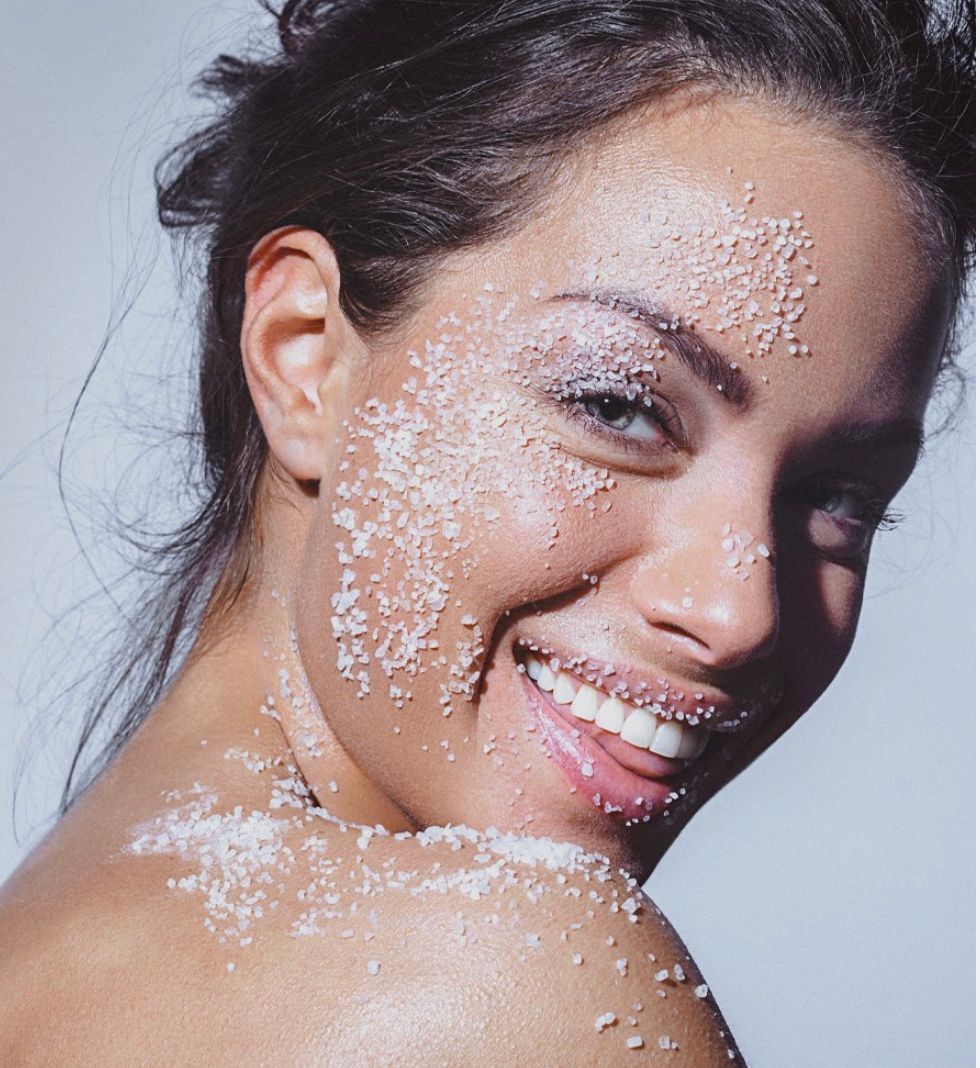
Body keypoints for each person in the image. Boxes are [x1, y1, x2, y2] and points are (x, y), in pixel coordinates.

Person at [0, 1, 973, 1063]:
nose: (735, 612)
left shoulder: (45, 952)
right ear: (303, 355)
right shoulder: (514, 982)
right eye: (618, 408)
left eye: (838, 495)